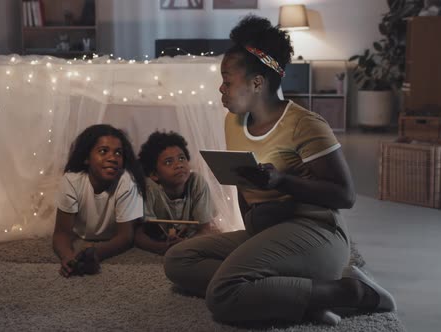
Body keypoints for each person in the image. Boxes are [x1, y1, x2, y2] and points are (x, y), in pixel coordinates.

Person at [163, 15, 396, 326]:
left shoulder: (304, 124)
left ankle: (350, 291)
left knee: (223, 295)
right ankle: (303, 294)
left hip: (316, 233)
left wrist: (283, 181)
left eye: (227, 80)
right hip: (266, 230)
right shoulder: (233, 121)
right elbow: (242, 184)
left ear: (257, 83)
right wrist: (252, 225)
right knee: (178, 261)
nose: (221, 88)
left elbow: (345, 195)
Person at [53, 124, 146, 277]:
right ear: (86, 158)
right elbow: (61, 233)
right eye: (103, 151)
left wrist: (95, 253)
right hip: (81, 233)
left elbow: (126, 237)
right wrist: (68, 256)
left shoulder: (127, 182)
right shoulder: (72, 180)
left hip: (110, 238)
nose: (112, 158)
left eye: (118, 153)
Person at [135, 131, 216, 255]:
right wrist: (159, 247)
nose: (179, 165)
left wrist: (186, 243)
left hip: (188, 238)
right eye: (168, 162)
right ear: (154, 174)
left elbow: (205, 230)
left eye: (182, 158)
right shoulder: (149, 188)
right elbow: (139, 234)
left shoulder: (197, 182)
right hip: (159, 238)